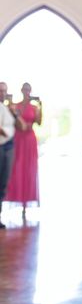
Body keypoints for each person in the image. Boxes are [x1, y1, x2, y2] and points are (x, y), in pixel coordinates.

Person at [6, 82, 41, 215]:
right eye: (24, 89)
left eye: (28, 89)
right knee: (16, 167)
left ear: (30, 91)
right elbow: (12, 121)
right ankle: (17, 199)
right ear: (21, 90)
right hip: (18, 138)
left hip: (30, 139)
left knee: (29, 168)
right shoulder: (16, 106)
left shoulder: (35, 107)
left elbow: (39, 122)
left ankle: (27, 202)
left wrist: (41, 107)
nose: (26, 91)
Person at [0, 82, 15, 228]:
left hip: (8, 146)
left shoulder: (7, 108)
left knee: (3, 183)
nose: (3, 93)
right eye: (0, 91)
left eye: (5, 91)